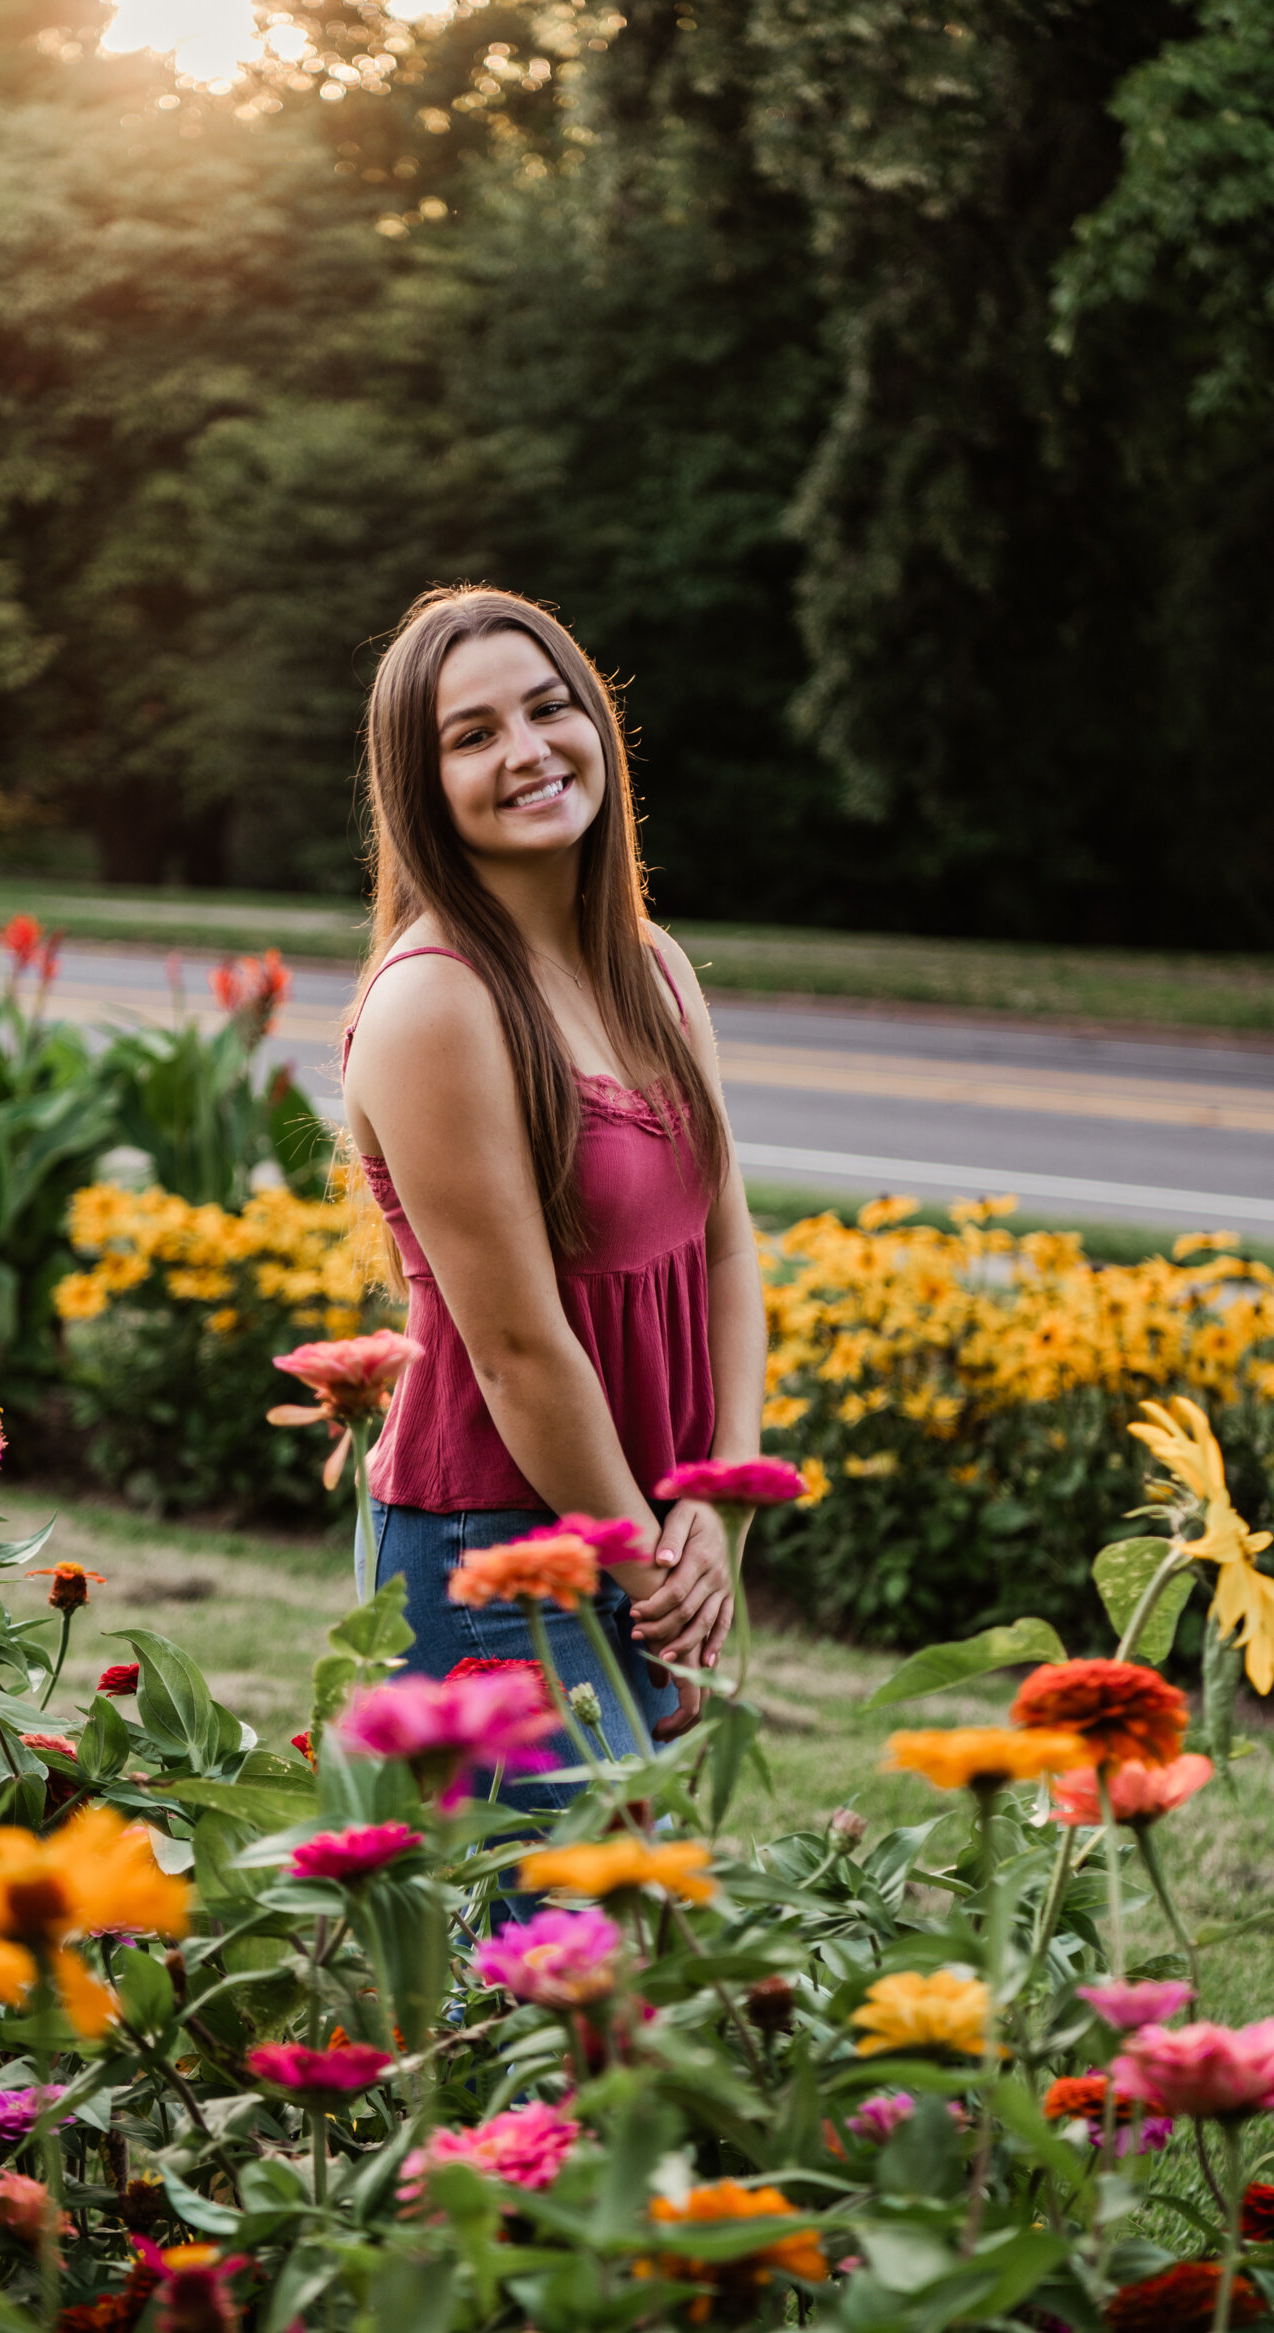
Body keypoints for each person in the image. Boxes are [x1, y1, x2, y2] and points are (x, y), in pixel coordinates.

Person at [340, 585, 767, 1790]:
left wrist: (714, 1505)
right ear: (422, 787)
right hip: (500, 1554)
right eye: (473, 735)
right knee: (535, 1958)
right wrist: (652, 1569)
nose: (527, 752)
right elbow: (518, 1350)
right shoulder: (438, 1004)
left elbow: (727, 1251)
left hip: (649, 1531)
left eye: (548, 708)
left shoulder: (651, 967)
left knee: (610, 1949)